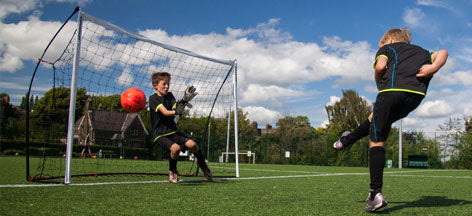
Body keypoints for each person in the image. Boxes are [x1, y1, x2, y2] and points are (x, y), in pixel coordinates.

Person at [333, 28, 448, 212]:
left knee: (376, 141)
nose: (380, 47)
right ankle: (345, 140)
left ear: (390, 39)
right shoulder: (423, 52)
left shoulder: (388, 48)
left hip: (389, 93)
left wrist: (379, 82)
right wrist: (434, 68)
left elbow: (380, 67)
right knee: (375, 119)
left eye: (381, 44)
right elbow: (443, 52)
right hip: (415, 97)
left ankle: (374, 194)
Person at [149, 72, 212, 183]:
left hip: (173, 131)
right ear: (155, 85)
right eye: (164, 84)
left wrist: (184, 100)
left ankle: (203, 166)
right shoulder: (153, 99)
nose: (167, 86)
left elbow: (177, 107)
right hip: (160, 133)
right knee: (175, 149)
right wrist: (176, 111)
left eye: (168, 84)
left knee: (193, 144)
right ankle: (172, 171)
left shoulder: (170, 96)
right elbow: (165, 112)